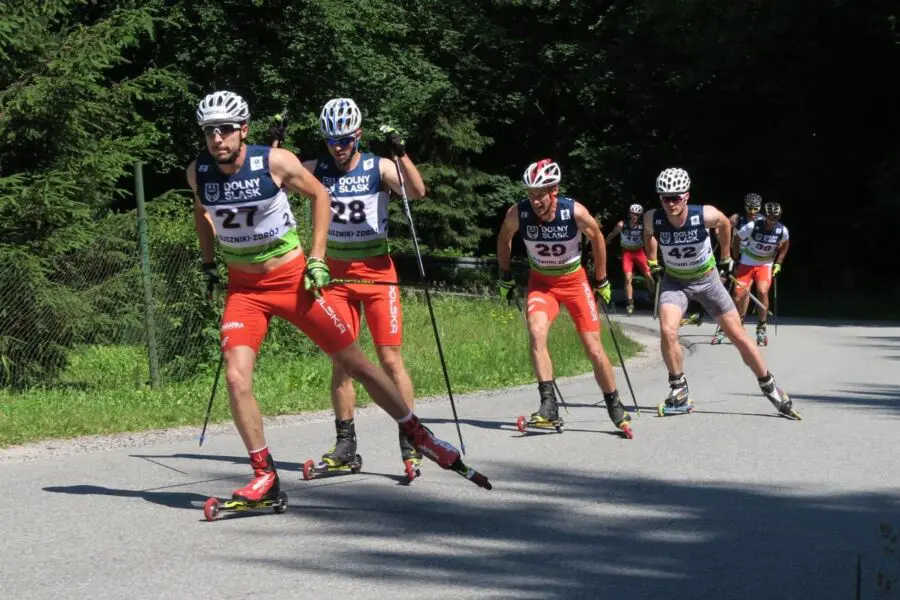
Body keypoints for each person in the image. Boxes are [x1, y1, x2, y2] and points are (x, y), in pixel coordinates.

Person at [188, 90, 480, 503]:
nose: (217, 138)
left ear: (242, 130)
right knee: (237, 376)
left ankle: (416, 433)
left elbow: (326, 194)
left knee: (360, 360)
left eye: (225, 130)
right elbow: (202, 212)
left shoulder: (300, 163)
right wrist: (207, 263)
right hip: (244, 288)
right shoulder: (198, 172)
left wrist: (316, 256)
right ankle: (266, 475)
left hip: (297, 280)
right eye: (209, 131)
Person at [287, 97, 428, 477]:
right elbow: (275, 179)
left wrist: (402, 154)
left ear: (358, 136)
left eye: (345, 139)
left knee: (389, 359)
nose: (339, 147)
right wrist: (273, 147)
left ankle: (410, 440)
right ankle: (346, 445)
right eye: (332, 140)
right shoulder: (316, 170)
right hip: (336, 277)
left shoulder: (377, 167)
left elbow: (416, 192)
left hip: (379, 275)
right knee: (343, 360)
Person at [643, 167, 799, 419]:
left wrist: (726, 256)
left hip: (708, 281)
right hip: (675, 282)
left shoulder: (703, 214)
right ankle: (679, 391)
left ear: (687, 196)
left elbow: (725, 223)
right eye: (665, 198)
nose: (670, 203)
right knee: (668, 330)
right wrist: (653, 261)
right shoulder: (653, 218)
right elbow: (648, 234)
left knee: (737, 334)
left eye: (676, 197)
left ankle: (770, 387)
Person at [496, 159, 634, 438]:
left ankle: (614, 404)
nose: (534, 201)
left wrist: (602, 278)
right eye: (530, 194)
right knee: (536, 333)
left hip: (574, 281)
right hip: (542, 282)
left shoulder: (575, 211)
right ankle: (549, 405)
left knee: (593, 346)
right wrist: (505, 275)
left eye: (540, 195)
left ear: (554, 191)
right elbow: (503, 238)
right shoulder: (518, 213)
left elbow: (596, 238)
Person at [712, 201, 789, 346]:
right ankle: (727, 327)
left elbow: (785, 244)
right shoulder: (753, 226)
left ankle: (761, 327)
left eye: (775, 218)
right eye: (769, 217)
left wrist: (779, 262)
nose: (772, 221)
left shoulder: (782, 230)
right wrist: (735, 257)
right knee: (738, 294)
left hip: (765, 264)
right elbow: (737, 238)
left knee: (762, 291)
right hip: (747, 262)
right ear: (765, 216)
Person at [605, 204, 654, 315]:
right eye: (633, 214)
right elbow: (612, 234)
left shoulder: (642, 226)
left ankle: (652, 295)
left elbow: (649, 237)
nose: (634, 216)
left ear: (640, 216)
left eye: (637, 215)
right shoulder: (622, 225)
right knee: (628, 278)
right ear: (629, 213)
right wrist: (605, 243)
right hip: (627, 253)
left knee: (649, 275)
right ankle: (630, 302)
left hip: (639, 252)